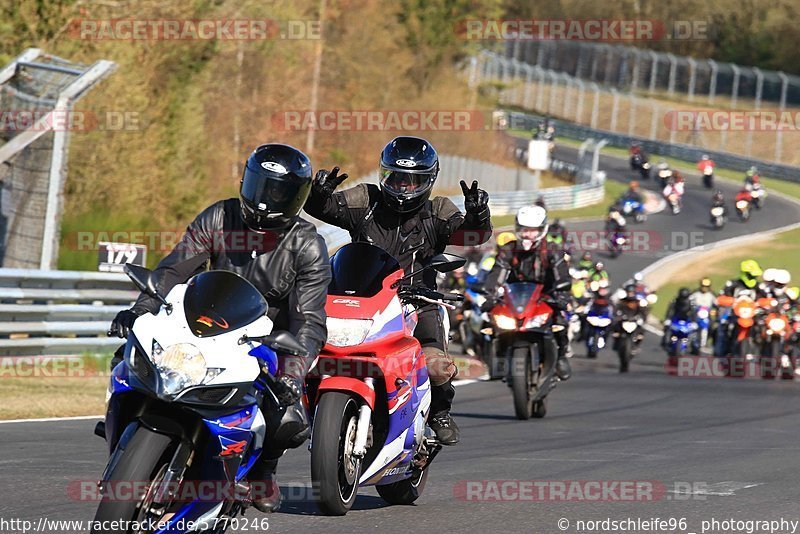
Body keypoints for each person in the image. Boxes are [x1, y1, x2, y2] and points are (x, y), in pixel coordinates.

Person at [108, 144, 330, 513]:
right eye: (261, 186)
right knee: (126, 358)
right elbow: (174, 269)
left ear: (297, 198)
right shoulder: (219, 216)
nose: (265, 200)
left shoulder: (307, 244)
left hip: (265, 338)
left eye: (278, 192)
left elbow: (308, 318)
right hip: (202, 319)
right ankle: (124, 444)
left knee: (287, 417)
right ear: (246, 181)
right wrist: (140, 309)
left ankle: (263, 472)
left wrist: (292, 373)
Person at [304, 136, 492, 445]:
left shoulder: (438, 211)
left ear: (428, 181)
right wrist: (318, 194)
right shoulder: (365, 200)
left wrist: (477, 216)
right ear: (384, 174)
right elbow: (327, 209)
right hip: (362, 300)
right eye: (396, 178)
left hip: (417, 302)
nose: (403, 187)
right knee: (307, 351)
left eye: (412, 181)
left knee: (437, 366)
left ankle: (440, 411)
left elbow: (471, 236)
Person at [483, 205, 573, 380]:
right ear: (518, 229)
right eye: (524, 230)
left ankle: (561, 357)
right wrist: (490, 296)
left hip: (546, 296)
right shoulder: (508, 249)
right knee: (490, 322)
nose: (528, 235)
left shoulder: (553, 249)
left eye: (533, 230)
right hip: (515, 296)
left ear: (542, 229)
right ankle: (498, 359)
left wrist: (561, 295)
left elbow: (561, 274)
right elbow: (498, 273)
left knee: (561, 322)